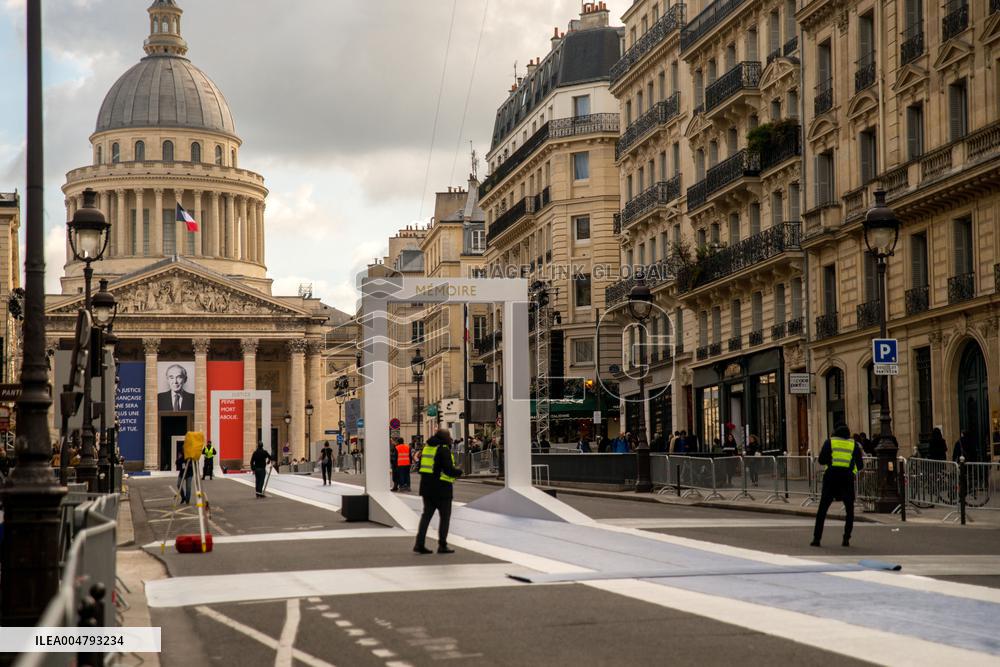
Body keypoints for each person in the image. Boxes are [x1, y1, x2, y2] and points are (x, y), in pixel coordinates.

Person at [811, 422, 864, 547]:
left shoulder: (830, 442)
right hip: (847, 479)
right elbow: (860, 465)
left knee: (822, 509)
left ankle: (817, 539)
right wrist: (851, 469)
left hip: (831, 478)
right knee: (849, 510)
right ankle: (846, 539)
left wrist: (831, 462)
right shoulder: (853, 444)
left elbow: (821, 460)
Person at [413, 429, 463, 555]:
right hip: (442, 489)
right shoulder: (443, 449)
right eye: (448, 436)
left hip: (426, 488)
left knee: (426, 517)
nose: (450, 438)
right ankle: (442, 545)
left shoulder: (427, 448)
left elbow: (420, 468)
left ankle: (419, 544)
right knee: (444, 518)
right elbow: (448, 470)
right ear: (444, 438)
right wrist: (459, 472)